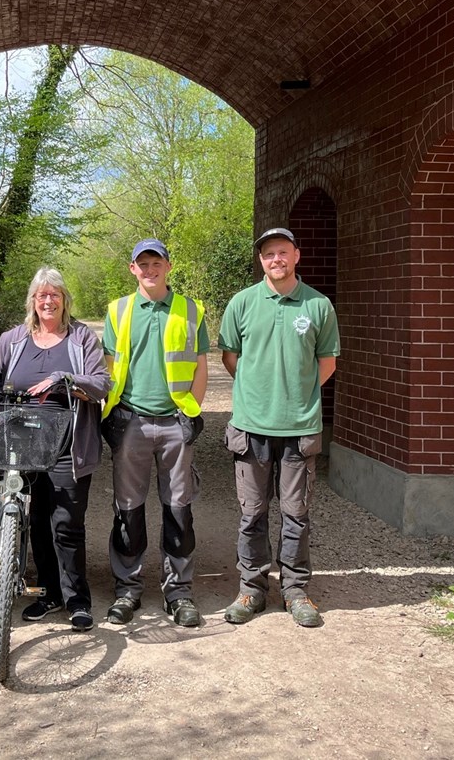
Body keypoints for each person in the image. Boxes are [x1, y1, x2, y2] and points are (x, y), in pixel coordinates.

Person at [218, 227, 339, 628]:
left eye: (283, 252)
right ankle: (252, 589)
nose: (276, 260)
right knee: (252, 513)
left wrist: (295, 395)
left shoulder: (318, 306)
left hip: (299, 427)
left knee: (296, 513)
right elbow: (230, 357)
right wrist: (259, 392)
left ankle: (296, 591)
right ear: (261, 261)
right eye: (269, 254)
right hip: (250, 427)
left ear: (296, 256)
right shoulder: (242, 303)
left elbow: (327, 363)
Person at [0, 267, 110, 632]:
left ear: (64, 300)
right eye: (41, 294)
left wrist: (64, 380)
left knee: (67, 524)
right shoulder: (13, 340)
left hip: (66, 444)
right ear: (32, 302)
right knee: (36, 521)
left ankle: (77, 600)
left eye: (54, 294)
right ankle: (48, 593)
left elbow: (101, 383)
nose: (48, 300)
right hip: (22, 445)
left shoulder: (80, 339)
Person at [101, 239, 209, 627]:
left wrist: (190, 413)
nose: (150, 270)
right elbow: (109, 367)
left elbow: (200, 366)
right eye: (142, 264)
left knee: (178, 508)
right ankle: (128, 589)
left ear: (168, 266)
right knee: (127, 509)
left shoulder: (190, 309)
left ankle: (178, 592)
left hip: (174, 423)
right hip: (130, 421)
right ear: (133, 269)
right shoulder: (118, 310)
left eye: (156, 263)